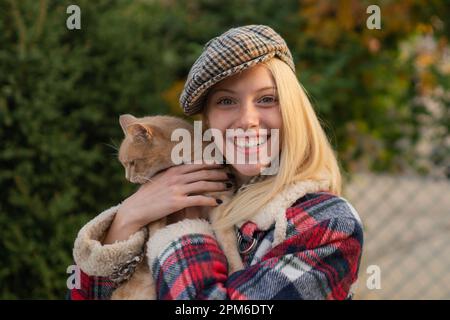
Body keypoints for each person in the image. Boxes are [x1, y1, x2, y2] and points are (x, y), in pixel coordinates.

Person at [68, 25, 363, 300]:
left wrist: (184, 227)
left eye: (267, 99)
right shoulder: (168, 195)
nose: (247, 120)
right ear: (208, 121)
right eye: (226, 101)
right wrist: (127, 218)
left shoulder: (328, 223)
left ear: (294, 112)